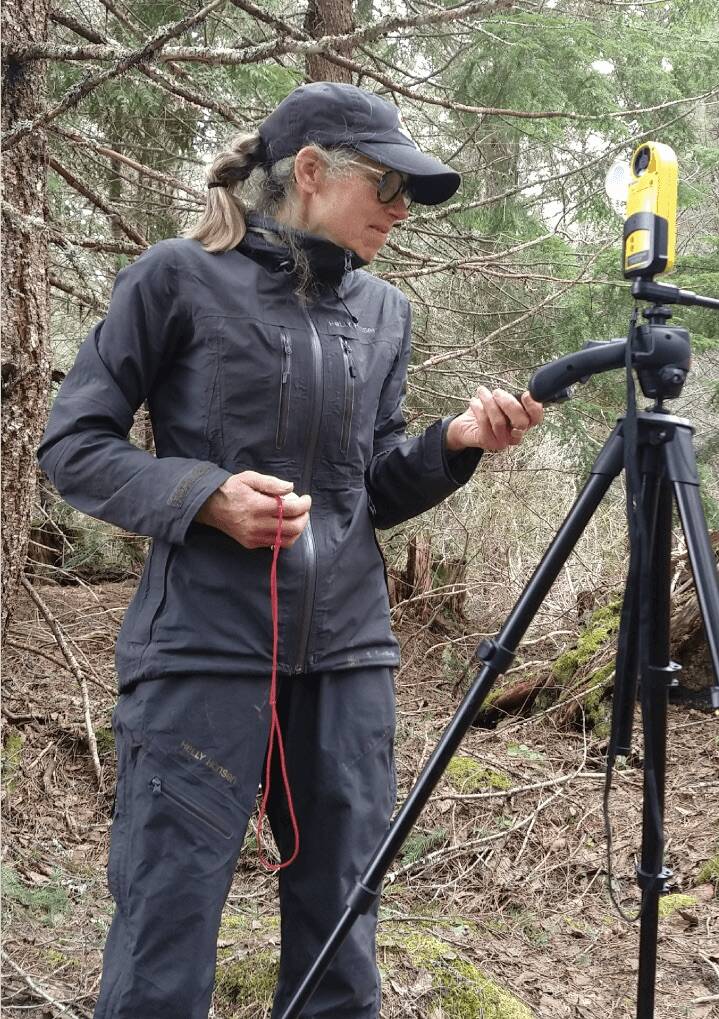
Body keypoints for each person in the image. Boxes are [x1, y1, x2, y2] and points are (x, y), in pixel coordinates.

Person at [38, 81, 544, 1019]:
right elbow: (74, 447)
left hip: (348, 660)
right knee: (165, 921)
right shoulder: (175, 277)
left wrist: (452, 446)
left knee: (343, 932)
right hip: (201, 653)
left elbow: (367, 491)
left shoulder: (384, 312)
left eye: (409, 200)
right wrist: (204, 494)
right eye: (386, 190)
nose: (400, 214)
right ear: (310, 171)